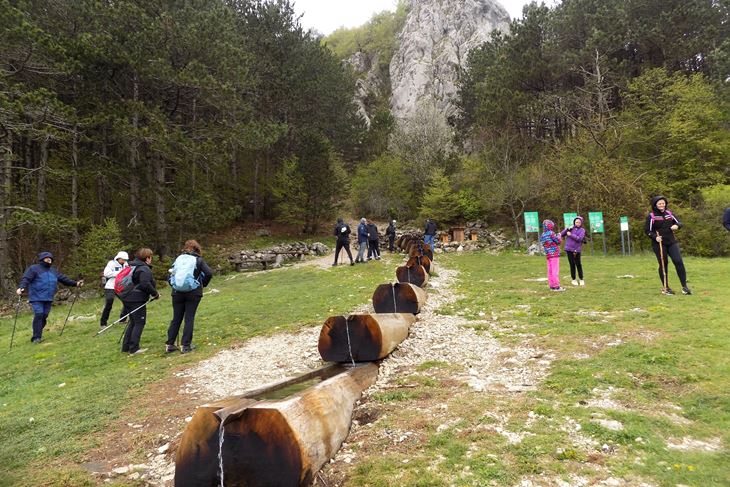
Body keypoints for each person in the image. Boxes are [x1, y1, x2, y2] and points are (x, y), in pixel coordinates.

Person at [16, 252, 83, 343]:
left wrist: (75, 283)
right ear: (42, 259)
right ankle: (36, 337)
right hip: (36, 297)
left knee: (44, 316)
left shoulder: (53, 271)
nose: (49, 260)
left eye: (50, 259)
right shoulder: (34, 269)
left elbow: (63, 279)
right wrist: (21, 288)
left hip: (48, 297)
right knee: (39, 314)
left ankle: (37, 331)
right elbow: (26, 279)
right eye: (47, 258)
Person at [165, 240, 213, 353]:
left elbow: (170, 274)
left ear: (185, 248)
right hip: (193, 292)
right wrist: (202, 284)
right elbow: (209, 273)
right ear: (197, 249)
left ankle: (169, 344)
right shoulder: (198, 260)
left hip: (177, 292)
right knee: (189, 318)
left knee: (176, 318)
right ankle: (185, 345)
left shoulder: (178, 259)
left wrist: (173, 284)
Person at [645, 196, 691, 295]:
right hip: (659, 244)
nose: (662, 205)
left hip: (671, 242)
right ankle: (666, 288)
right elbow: (647, 231)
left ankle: (684, 287)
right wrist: (655, 237)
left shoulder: (669, 214)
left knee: (678, 261)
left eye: (663, 203)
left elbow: (680, 223)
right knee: (663, 264)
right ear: (655, 205)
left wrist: (677, 226)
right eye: (659, 204)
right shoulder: (651, 216)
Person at [120, 248, 159, 354]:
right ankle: (134, 348)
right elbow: (145, 283)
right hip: (136, 298)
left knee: (132, 322)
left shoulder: (132, 265)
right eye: (150, 257)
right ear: (147, 258)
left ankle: (126, 347)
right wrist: (155, 293)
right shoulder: (143, 269)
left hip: (126, 297)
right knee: (139, 322)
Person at [100, 251, 130, 328]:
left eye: (125, 260)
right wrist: (119, 274)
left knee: (127, 301)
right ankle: (103, 323)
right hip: (111, 286)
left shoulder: (126, 264)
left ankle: (123, 319)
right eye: (123, 259)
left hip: (121, 286)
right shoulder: (111, 263)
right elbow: (106, 273)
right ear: (118, 258)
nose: (124, 261)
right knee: (109, 303)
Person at [539, 220, 565, 291]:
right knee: (555, 270)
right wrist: (559, 235)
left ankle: (552, 285)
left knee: (550, 271)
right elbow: (558, 241)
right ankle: (556, 286)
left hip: (548, 255)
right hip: (554, 254)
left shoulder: (543, 234)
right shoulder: (551, 233)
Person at [560, 216, 586, 286]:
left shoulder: (582, 230)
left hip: (577, 249)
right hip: (569, 249)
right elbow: (562, 234)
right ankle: (573, 279)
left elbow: (579, 239)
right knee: (572, 264)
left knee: (578, 264)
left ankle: (581, 279)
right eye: (576, 222)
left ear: (581, 223)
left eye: (579, 222)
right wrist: (567, 229)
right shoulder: (571, 228)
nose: (577, 223)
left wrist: (571, 235)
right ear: (574, 222)